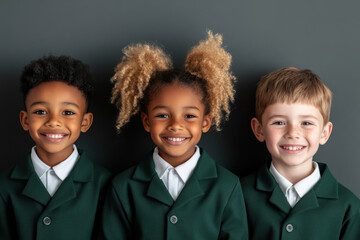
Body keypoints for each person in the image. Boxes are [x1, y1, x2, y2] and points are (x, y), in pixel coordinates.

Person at [101, 31, 248, 239]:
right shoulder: (123, 187)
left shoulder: (227, 186)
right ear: (146, 121)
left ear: (205, 122)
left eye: (189, 116)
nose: (176, 125)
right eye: (162, 115)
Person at [0, 55, 112, 240]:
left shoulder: (107, 186)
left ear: (85, 122)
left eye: (68, 112)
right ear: (25, 120)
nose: (53, 122)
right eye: (40, 112)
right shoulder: (4, 187)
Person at [241, 67, 360, 239]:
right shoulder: (237, 195)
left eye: (306, 123)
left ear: (324, 133)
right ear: (259, 130)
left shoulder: (349, 207)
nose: (293, 133)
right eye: (279, 122)